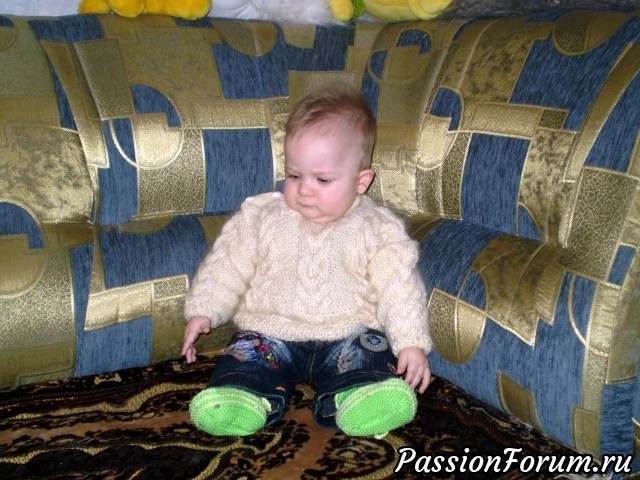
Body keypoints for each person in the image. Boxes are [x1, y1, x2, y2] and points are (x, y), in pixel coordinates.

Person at [181, 85, 432, 438]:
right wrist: (204, 309)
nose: (304, 189)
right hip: (270, 334)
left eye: (322, 179)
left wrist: (411, 342)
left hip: (348, 335)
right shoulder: (262, 217)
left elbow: (399, 287)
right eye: (294, 175)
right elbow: (228, 264)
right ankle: (241, 397)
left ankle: (359, 395)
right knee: (244, 356)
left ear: (361, 181)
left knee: (372, 353)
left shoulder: (377, 229)